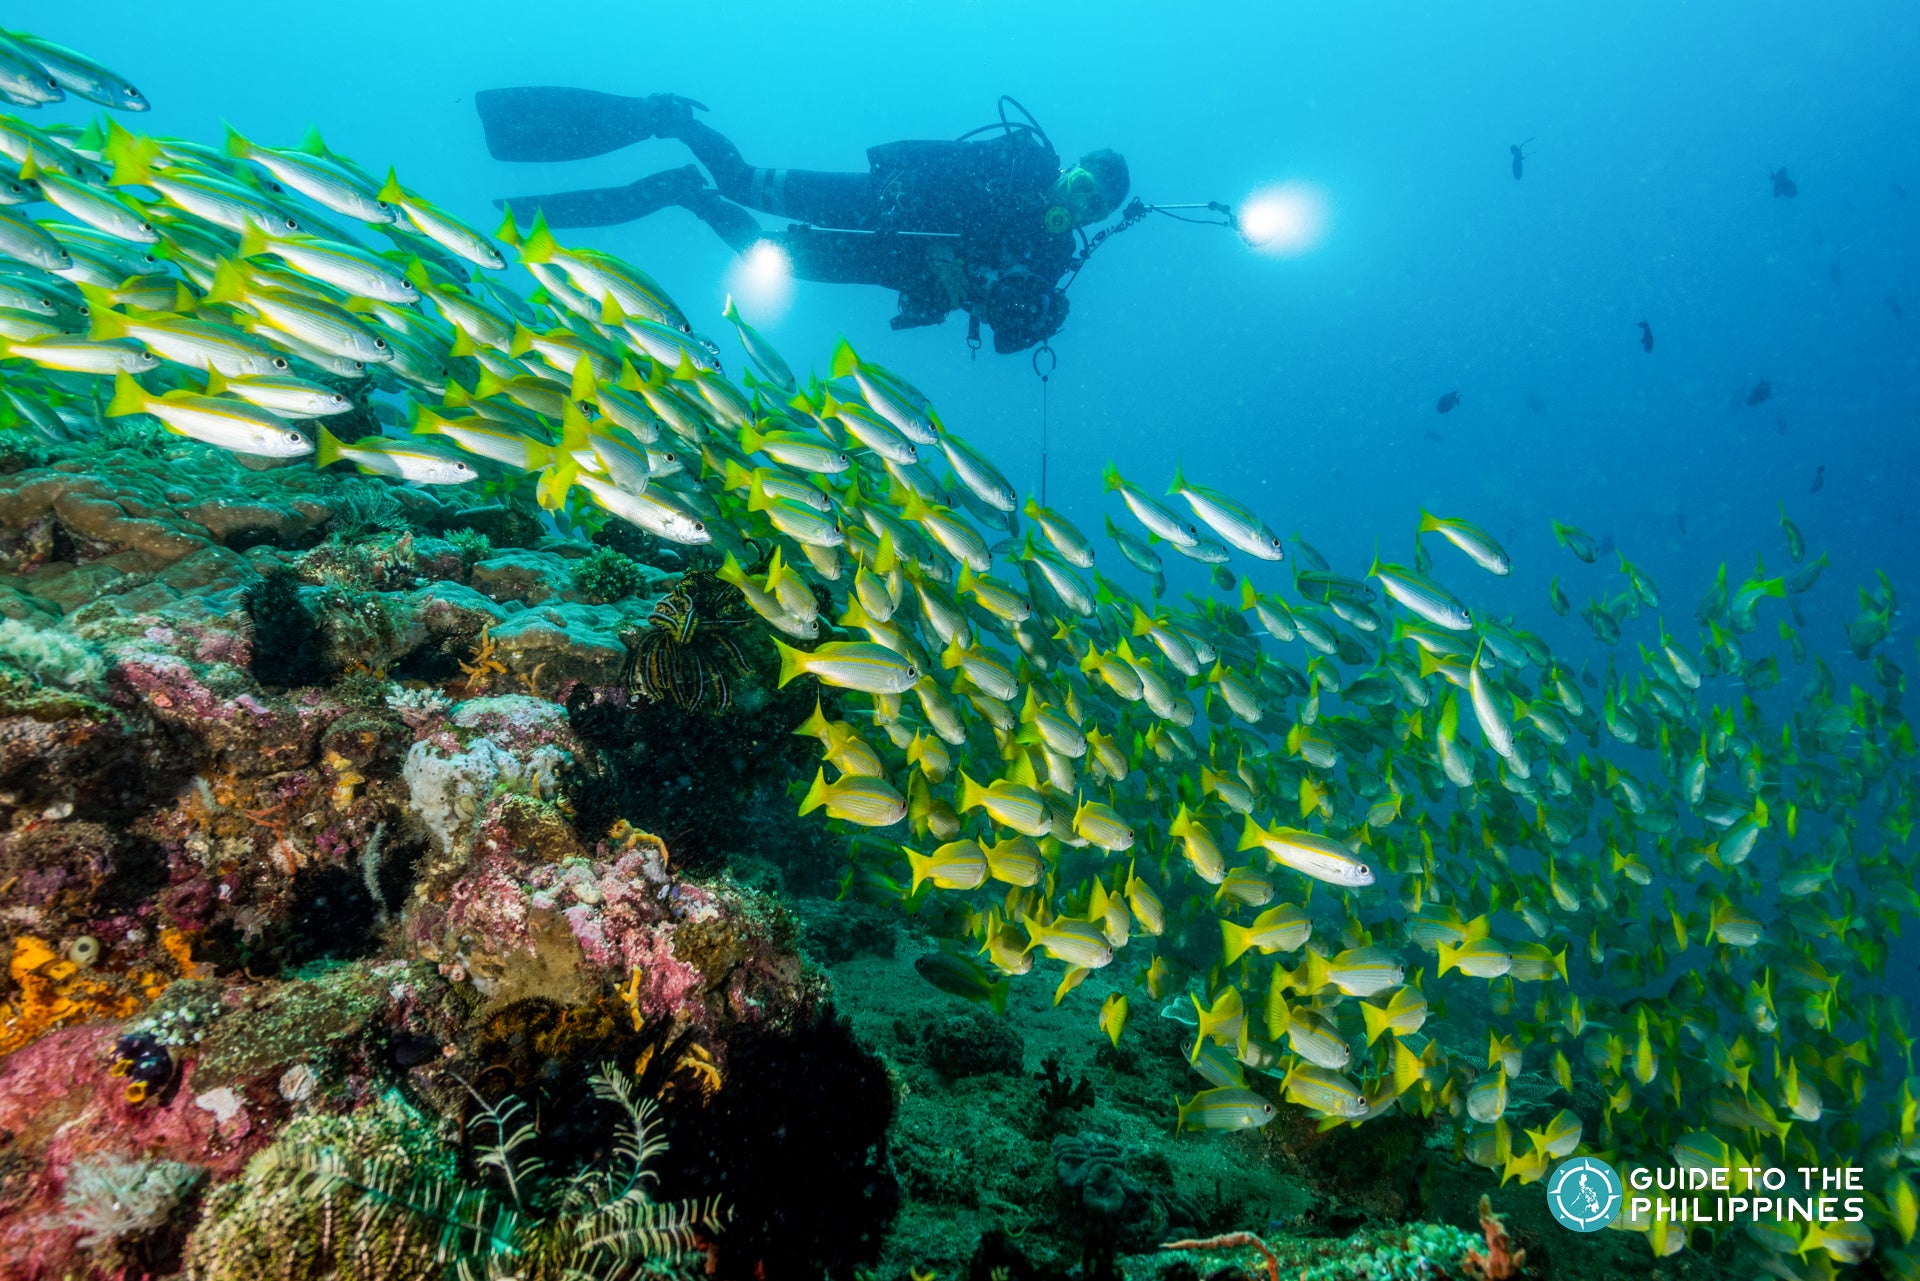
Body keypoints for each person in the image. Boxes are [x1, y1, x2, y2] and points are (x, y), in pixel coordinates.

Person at [474, 88, 1128, 353]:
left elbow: (1011, 330)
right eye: (1085, 184)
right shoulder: (1022, 158)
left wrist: (1029, 309)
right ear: (1071, 167)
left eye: (1096, 205)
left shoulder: (1052, 256)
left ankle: (683, 193)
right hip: (876, 204)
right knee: (744, 180)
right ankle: (668, 120)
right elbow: (941, 162)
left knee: (762, 251)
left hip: (880, 264)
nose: (1081, 201)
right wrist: (938, 244)